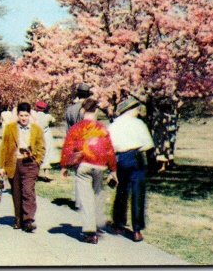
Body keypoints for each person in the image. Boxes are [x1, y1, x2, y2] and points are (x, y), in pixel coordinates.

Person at [60, 99, 118, 244]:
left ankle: (90, 231)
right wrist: (113, 170)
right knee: (97, 195)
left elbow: (68, 148)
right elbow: (110, 151)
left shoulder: (76, 128)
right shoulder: (103, 129)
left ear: (82, 111)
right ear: (96, 111)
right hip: (99, 166)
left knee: (86, 198)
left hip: (83, 165)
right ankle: (97, 224)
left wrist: (64, 166)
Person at [108, 96, 155, 243]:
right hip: (137, 157)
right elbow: (148, 145)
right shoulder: (139, 124)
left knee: (122, 190)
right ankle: (137, 229)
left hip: (121, 157)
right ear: (129, 110)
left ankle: (119, 223)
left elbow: (110, 147)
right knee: (138, 192)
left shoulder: (114, 125)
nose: (137, 111)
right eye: (135, 109)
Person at [0, 102, 45, 233]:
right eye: (21, 115)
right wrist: (1, 166)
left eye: (26, 115)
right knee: (16, 192)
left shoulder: (36, 129)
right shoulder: (10, 128)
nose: (23, 118)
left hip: (30, 163)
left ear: (30, 115)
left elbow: (41, 147)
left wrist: (37, 161)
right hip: (14, 163)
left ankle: (28, 219)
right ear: (17, 115)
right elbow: (4, 148)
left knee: (28, 190)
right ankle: (18, 218)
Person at [32, 100, 56, 178]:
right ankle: (46, 173)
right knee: (47, 153)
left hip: (36, 136)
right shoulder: (48, 116)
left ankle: (36, 173)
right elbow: (53, 121)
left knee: (37, 153)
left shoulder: (33, 115)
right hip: (46, 136)